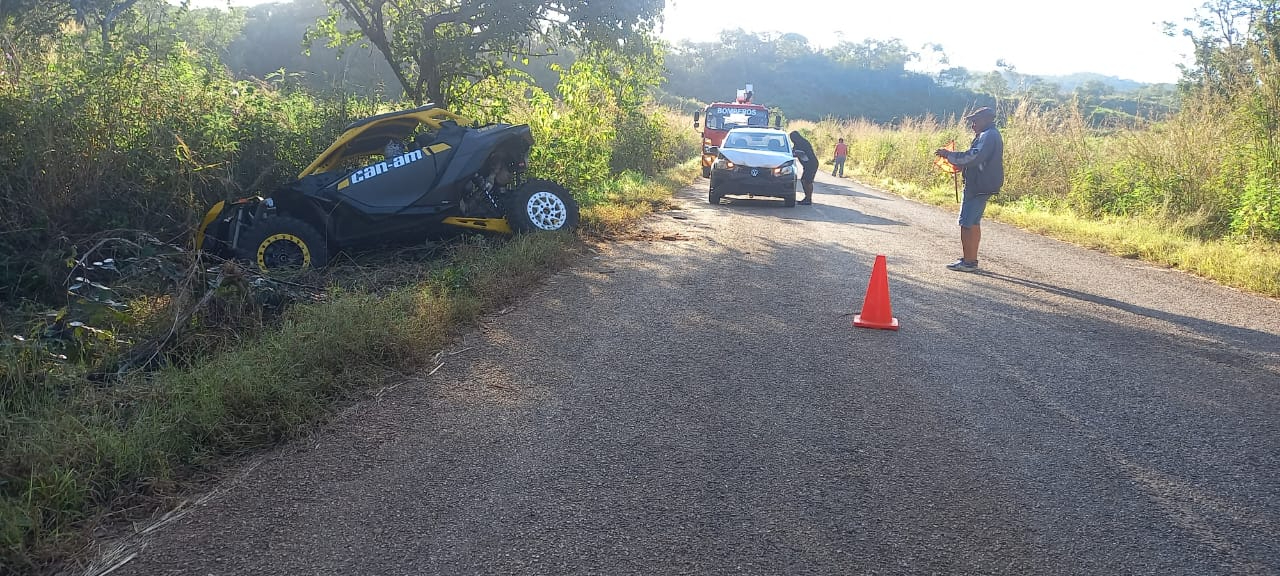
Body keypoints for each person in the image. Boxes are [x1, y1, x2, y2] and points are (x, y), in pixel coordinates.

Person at [934, 107, 1004, 272]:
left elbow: (973, 156)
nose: (972, 125)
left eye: (975, 121)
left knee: (966, 222)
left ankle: (969, 261)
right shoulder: (989, 134)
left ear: (986, 120)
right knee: (973, 222)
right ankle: (970, 259)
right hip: (982, 183)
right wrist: (959, 163)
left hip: (978, 185)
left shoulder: (988, 136)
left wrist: (949, 155)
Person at [789, 130, 818, 205]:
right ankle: (807, 198)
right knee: (804, 180)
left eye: (791, 138)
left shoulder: (802, 143)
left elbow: (796, 153)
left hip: (811, 164)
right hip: (808, 165)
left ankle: (808, 199)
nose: (791, 140)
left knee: (807, 181)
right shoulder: (799, 142)